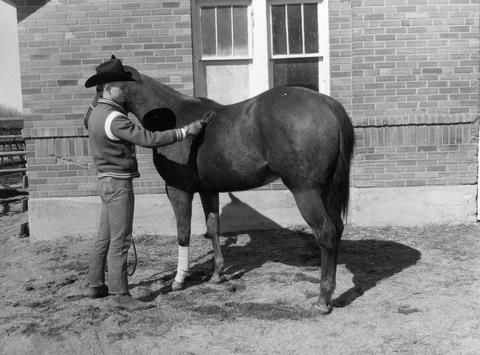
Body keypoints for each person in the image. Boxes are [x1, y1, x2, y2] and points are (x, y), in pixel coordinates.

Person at [84, 55, 214, 311]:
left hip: (105, 181)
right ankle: (121, 294)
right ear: (109, 88)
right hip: (118, 184)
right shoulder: (115, 118)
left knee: (104, 236)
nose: (127, 91)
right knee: (121, 240)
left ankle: (94, 283)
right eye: (123, 87)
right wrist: (185, 132)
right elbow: (148, 139)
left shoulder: (97, 114)